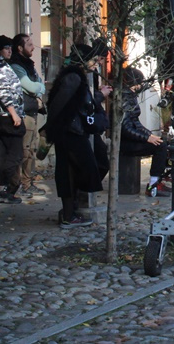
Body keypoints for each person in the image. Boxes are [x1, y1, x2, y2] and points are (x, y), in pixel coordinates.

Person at [45, 43, 112, 228]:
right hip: (70, 132)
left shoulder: (76, 76)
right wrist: (51, 129)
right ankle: (69, 214)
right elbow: (58, 105)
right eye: (93, 60)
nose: (96, 64)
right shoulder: (73, 77)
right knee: (73, 172)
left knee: (76, 171)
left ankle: (70, 212)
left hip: (72, 130)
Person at [0, 35, 26, 205]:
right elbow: (3, 92)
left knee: (0, 152)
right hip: (7, 117)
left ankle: (1, 188)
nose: (10, 51)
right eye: (6, 48)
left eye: (10, 48)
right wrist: (13, 113)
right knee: (15, 154)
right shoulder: (1, 67)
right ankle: (7, 187)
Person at [119, 68, 170, 197]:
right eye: (140, 82)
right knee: (160, 146)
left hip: (130, 139)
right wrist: (146, 137)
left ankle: (159, 179)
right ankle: (153, 184)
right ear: (134, 82)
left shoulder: (130, 96)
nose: (141, 85)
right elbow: (125, 127)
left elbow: (135, 123)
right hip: (125, 143)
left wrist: (149, 135)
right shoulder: (125, 98)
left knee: (162, 143)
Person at [9, 33, 47, 197]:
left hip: (32, 111)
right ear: (20, 48)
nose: (33, 47)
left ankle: (27, 183)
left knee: (31, 150)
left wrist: (37, 87)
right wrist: (37, 87)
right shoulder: (16, 66)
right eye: (29, 44)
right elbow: (31, 86)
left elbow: (40, 84)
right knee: (23, 151)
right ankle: (18, 185)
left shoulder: (29, 65)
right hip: (23, 113)